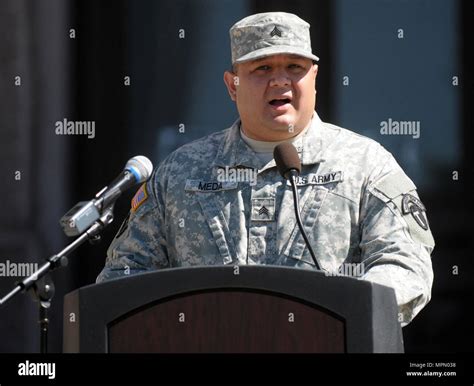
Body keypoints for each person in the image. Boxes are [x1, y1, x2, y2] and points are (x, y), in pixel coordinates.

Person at [96, 12, 434, 327]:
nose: (280, 81)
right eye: (262, 68)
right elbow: (124, 274)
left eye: (294, 67)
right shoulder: (180, 173)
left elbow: (405, 266)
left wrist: (339, 314)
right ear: (232, 85)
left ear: (314, 77)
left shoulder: (366, 163)